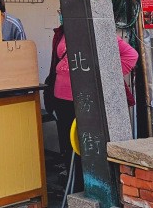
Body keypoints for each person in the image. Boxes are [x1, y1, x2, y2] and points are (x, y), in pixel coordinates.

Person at [53, 30, 138, 191]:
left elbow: (130, 55)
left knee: (85, 147)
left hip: (83, 99)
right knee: (67, 146)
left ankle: (87, 188)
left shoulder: (97, 30)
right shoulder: (62, 31)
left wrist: (105, 75)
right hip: (60, 98)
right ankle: (74, 187)